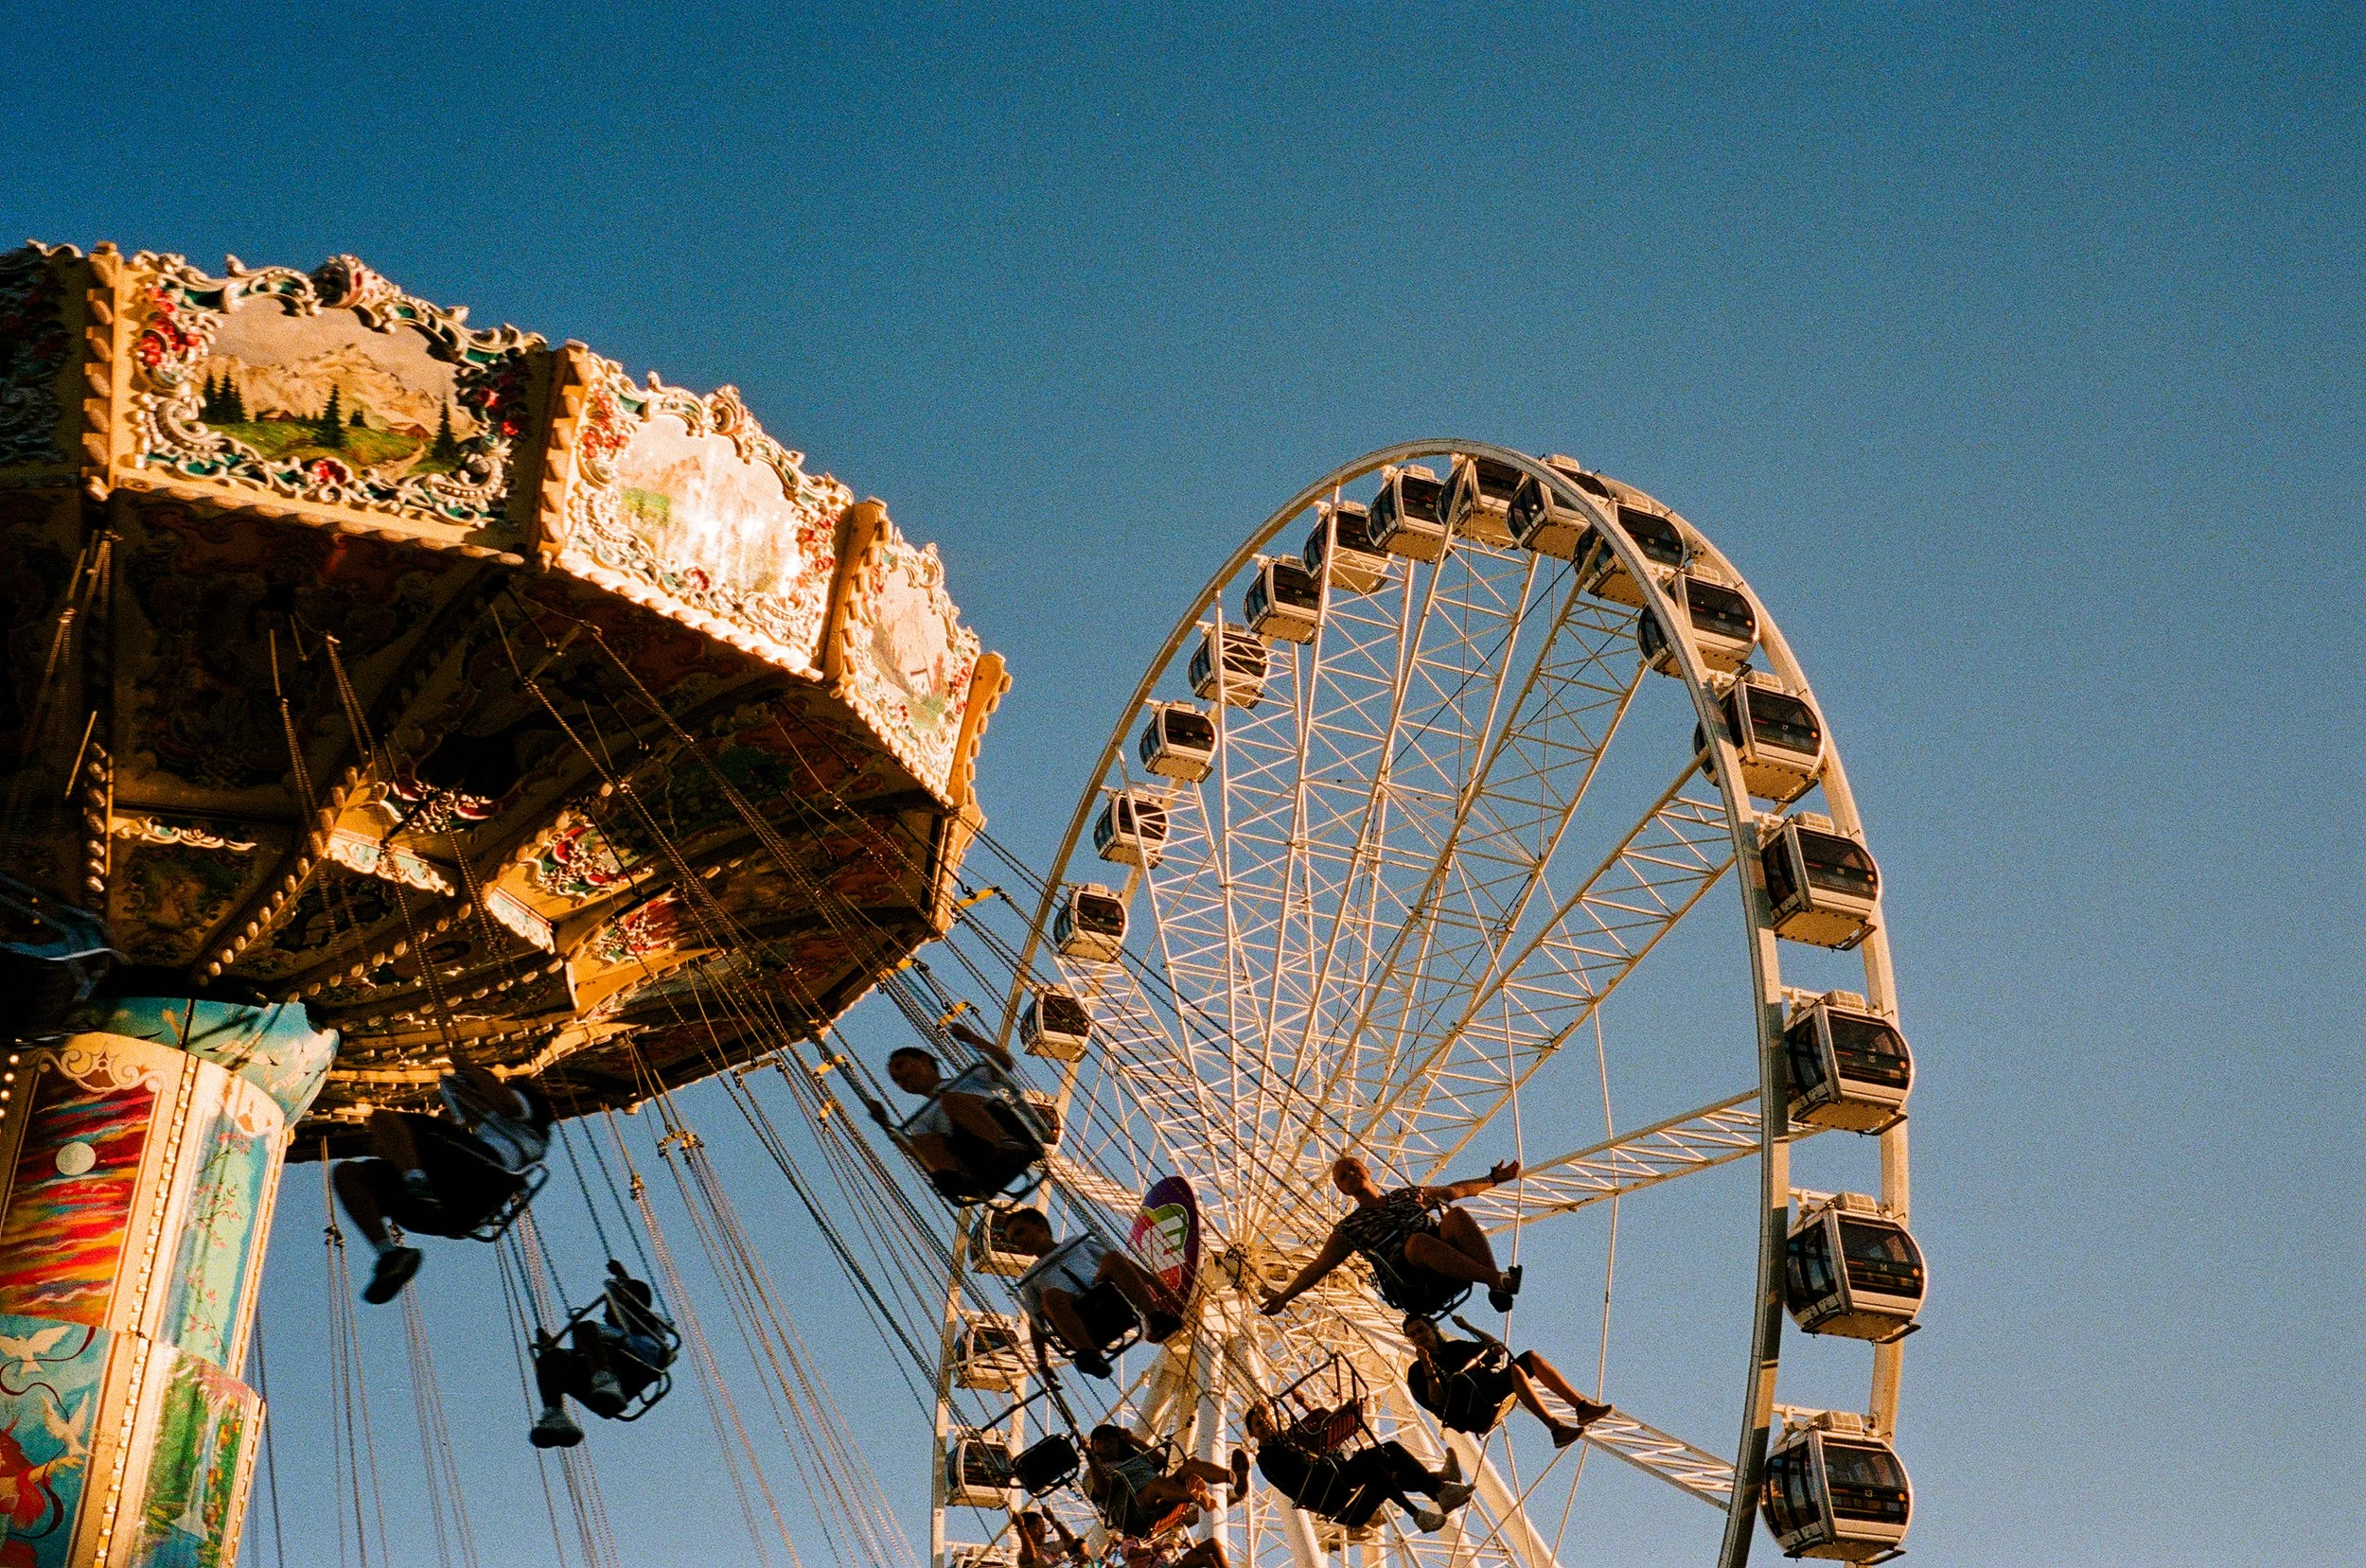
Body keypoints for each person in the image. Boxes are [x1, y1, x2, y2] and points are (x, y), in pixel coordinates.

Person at [332, 1041, 553, 1302]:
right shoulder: (487, 1135)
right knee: (348, 1174)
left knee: (383, 1118)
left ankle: (416, 1182)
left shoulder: (526, 1115)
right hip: (454, 1211)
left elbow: (505, 1102)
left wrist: (468, 1067)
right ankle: (390, 1254)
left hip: (472, 1177)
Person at [1259, 1155, 1523, 1320]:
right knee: (1419, 1242)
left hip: (1447, 1258)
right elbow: (1318, 1267)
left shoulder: (1406, 1195)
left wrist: (1493, 1179)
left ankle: (1497, 1285)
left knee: (1456, 1216)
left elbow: (1457, 1190)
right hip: (1412, 1280)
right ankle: (1495, 1278)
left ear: (1367, 1170)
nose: (1350, 1174)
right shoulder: (1348, 1228)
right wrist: (1285, 1297)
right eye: (1343, 1176)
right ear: (1341, 1189)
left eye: (1353, 1168)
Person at [1235, 1403, 1473, 1534]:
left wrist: (1338, 1412)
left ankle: (1440, 1489)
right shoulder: (1267, 1458)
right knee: (1371, 1463)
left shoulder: (1290, 1439)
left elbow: (1320, 1430)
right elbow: (1297, 1477)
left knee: (1387, 1451)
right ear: (1252, 1433)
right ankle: (1419, 1512)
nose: (1265, 1425)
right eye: (1258, 1424)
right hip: (1333, 1497)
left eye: (1266, 1419)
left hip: (1345, 1485)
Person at [1007, 1209, 1186, 1378]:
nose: (1018, 1242)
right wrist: (1042, 1363)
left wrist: (1160, 1287)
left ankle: (1155, 1317)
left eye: (1020, 1232)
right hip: (1078, 1316)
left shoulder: (1077, 1243)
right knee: (1050, 1296)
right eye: (1013, 1241)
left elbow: (1124, 1265)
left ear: (1040, 1227)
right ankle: (1089, 1354)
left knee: (1113, 1257)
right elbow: (1036, 1322)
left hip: (1106, 1295)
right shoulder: (1030, 1278)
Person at [1403, 1313, 1611, 1447]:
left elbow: (1497, 1350)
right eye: (1412, 1334)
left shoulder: (1455, 1348)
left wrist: (1468, 1327)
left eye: (1421, 1329)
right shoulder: (1416, 1371)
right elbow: (1437, 1400)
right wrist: (1428, 1366)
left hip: (1485, 1389)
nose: (1419, 1336)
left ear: (1433, 1329)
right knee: (1514, 1372)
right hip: (1467, 1409)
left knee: (1530, 1358)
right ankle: (1556, 1429)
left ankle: (1582, 1408)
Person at [885, 1028, 1044, 1201]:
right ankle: (962, 1180)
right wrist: (886, 1124)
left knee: (950, 1101)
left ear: (924, 1060)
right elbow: (923, 1151)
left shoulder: (968, 1079)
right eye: (896, 1079)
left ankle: (1005, 1143)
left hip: (1006, 1127)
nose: (901, 1078)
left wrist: (972, 1038)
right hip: (973, 1156)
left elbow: (1003, 1063)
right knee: (918, 1142)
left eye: (901, 1066)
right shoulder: (921, 1120)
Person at [529, 1261, 677, 1449]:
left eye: (611, 1305)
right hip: (612, 1364)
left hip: (642, 1355)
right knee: (552, 1359)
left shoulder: (649, 1320)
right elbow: (582, 1354)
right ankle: (555, 1414)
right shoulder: (604, 1344)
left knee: (585, 1329)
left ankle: (606, 1381)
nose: (607, 1313)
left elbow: (636, 1307)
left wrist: (623, 1280)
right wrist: (552, 1349)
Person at [1083, 1426, 1245, 1539]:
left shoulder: (1134, 1459)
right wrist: (1090, 1457)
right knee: (1157, 1485)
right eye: (1099, 1440)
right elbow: (1102, 1490)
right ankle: (1193, 1494)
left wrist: (1132, 1440)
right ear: (1094, 1447)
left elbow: (1160, 1461)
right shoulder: (1092, 1473)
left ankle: (1234, 1478)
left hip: (1161, 1496)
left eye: (1110, 1439)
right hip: (1133, 1515)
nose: (1105, 1442)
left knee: (1191, 1465)